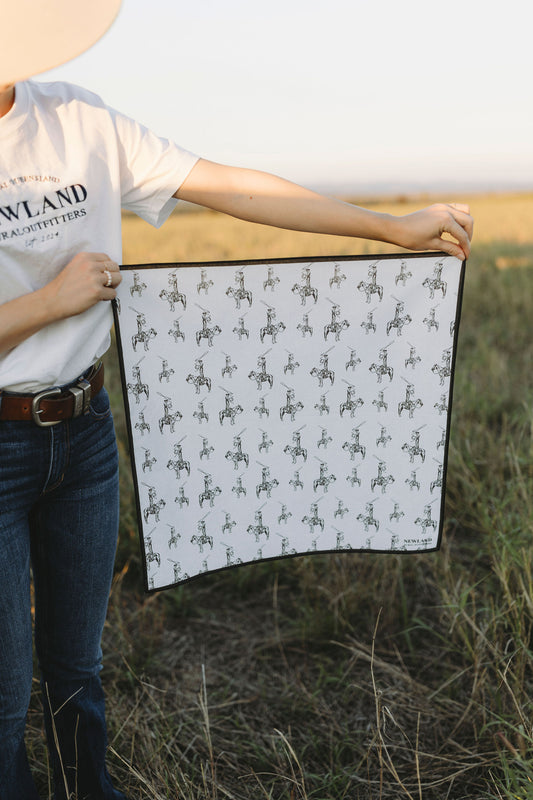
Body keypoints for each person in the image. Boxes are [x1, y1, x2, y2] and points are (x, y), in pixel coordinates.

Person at [0, 2, 473, 798]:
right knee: (5, 691)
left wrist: (388, 229)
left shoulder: (77, 116)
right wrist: (52, 302)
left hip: (82, 437)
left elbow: (228, 187)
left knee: (77, 668)